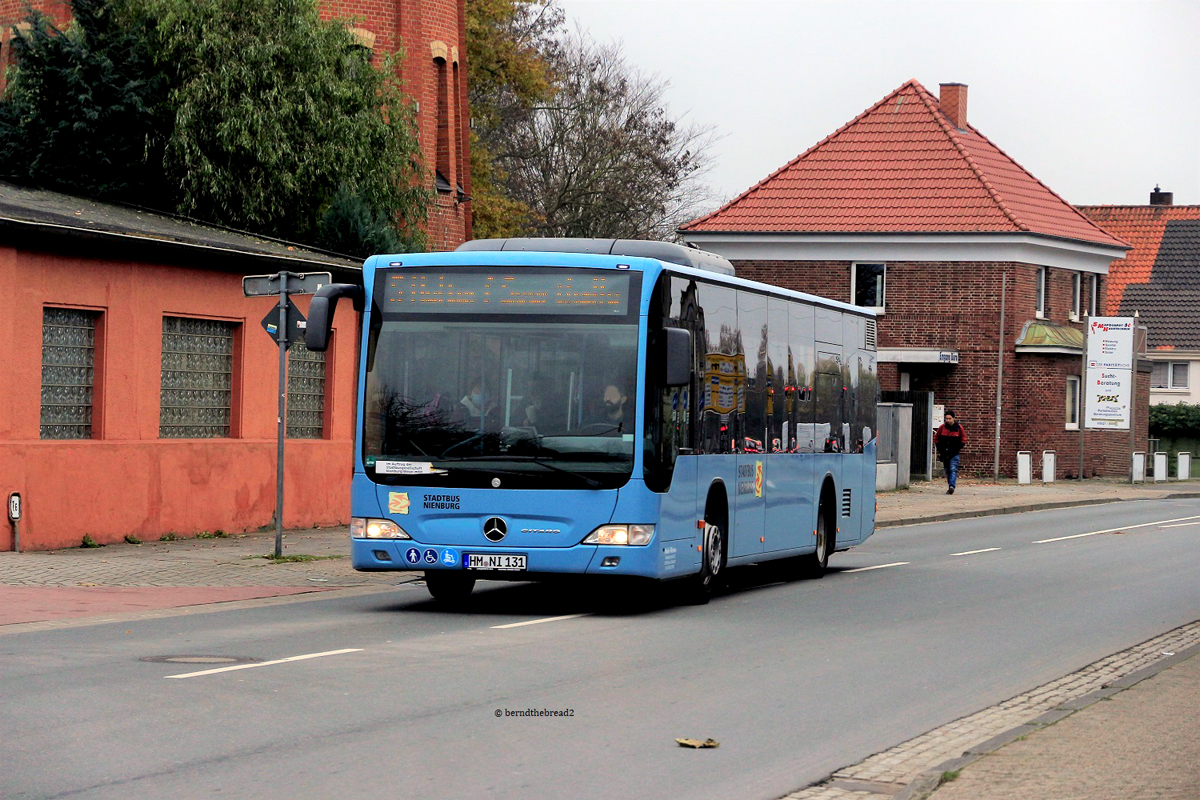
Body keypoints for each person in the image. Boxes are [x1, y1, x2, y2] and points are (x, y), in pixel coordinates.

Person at [934, 410, 968, 494]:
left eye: (949, 418)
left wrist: (958, 448)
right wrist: (940, 448)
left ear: (954, 418)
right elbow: (936, 438)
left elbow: (964, 439)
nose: (948, 420)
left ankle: (952, 486)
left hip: (954, 452)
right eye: (946, 419)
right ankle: (951, 486)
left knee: (953, 469)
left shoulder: (959, 428)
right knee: (948, 470)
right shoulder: (942, 428)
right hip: (945, 453)